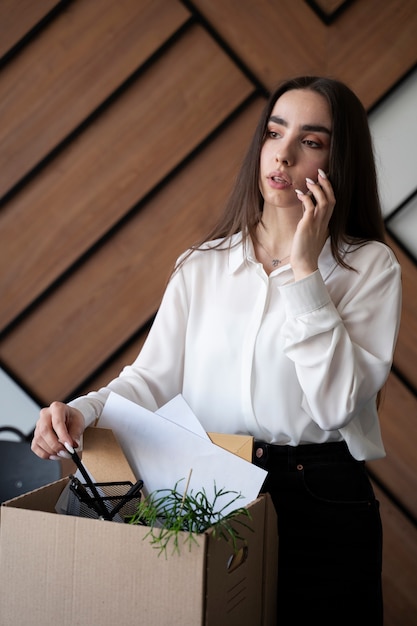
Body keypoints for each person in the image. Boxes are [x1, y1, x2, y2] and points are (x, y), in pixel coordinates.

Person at [32, 76, 401, 625]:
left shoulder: (369, 267)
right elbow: (150, 381)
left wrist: (304, 272)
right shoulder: (200, 266)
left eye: (312, 141)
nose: (283, 152)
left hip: (323, 495)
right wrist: (79, 411)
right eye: (274, 132)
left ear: (338, 162)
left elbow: (335, 407)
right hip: (211, 486)